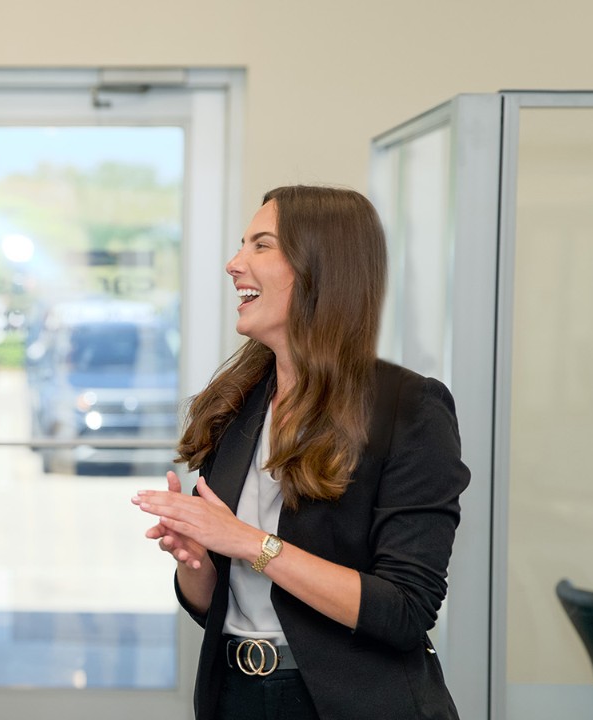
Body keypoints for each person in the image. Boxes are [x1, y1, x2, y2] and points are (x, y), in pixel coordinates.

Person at [133, 186, 469, 719]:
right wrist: (195, 559)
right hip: (237, 694)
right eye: (241, 244)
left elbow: (405, 611)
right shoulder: (237, 402)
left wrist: (249, 543)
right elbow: (213, 606)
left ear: (321, 269)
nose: (234, 263)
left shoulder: (410, 407)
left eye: (261, 245)